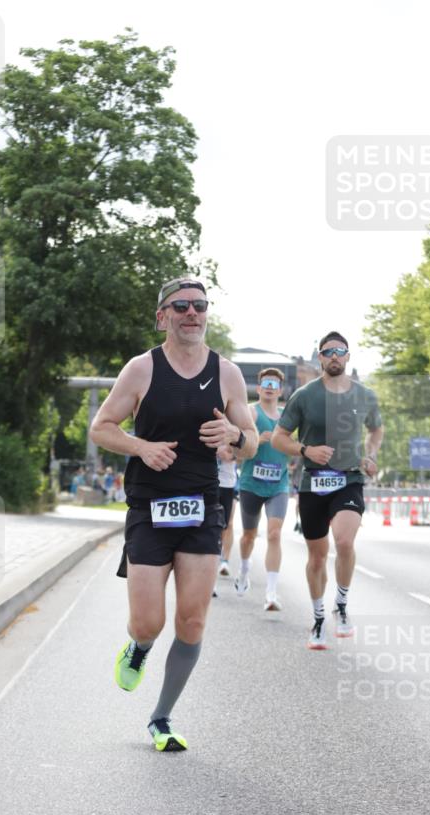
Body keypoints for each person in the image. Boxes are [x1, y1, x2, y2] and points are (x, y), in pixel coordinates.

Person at [90, 275, 258, 752]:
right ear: (163, 315)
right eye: (181, 306)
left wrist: (233, 435)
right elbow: (101, 428)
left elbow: (251, 442)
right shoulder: (142, 370)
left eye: (200, 306)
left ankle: (161, 717)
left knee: (192, 620)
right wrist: (141, 447)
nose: (192, 313)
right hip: (149, 507)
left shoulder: (227, 373)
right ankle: (139, 649)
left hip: (203, 506)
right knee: (148, 623)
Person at [272, 332, 384, 649]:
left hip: (349, 478)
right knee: (318, 557)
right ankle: (319, 618)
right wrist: (306, 449)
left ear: (348, 357)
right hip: (313, 482)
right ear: (320, 358)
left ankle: (342, 605)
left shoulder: (365, 395)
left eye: (340, 351)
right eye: (328, 352)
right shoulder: (305, 395)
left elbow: (376, 428)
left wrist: (372, 454)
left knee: (345, 542)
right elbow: (280, 437)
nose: (334, 356)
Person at [235, 368, 290, 611]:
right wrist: (258, 438)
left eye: (274, 383)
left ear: (280, 390)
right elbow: (238, 447)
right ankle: (244, 570)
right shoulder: (250, 412)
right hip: (251, 483)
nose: (269, 386)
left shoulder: (286, 417)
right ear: (259, 388)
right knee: (249, 536)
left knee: (274, 534)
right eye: (265, 383)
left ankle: (271, 593)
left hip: (279, 483)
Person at [214, 443, 238, 585]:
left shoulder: (236, 424)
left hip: (229, 484)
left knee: (227, 524)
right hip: (208, 481)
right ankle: (212, 567)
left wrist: (232, 454)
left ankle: (224, 560)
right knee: (210, 525)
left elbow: (247, 452)